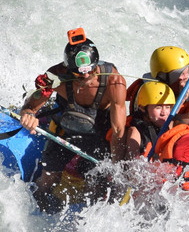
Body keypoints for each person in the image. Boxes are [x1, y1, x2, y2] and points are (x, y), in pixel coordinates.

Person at [18, 27, 127, 211]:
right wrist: (28, 117)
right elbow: (29, 108)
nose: (85, 76)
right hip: (66, 129)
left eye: (89, 71)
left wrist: (117, 169)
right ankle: (37, 210)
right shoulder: (55, 76)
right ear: (69, 69)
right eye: (78, 73)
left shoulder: (114, 82)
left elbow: (118, 131)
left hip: (99, 134)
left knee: (94, 182)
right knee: (48, 178)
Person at [121, 81, 176, 160]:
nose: (164, 113)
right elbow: (131, 167)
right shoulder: (134, 132)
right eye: (158, 107)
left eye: (167, 107)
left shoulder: (170, 125)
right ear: (143, 108)